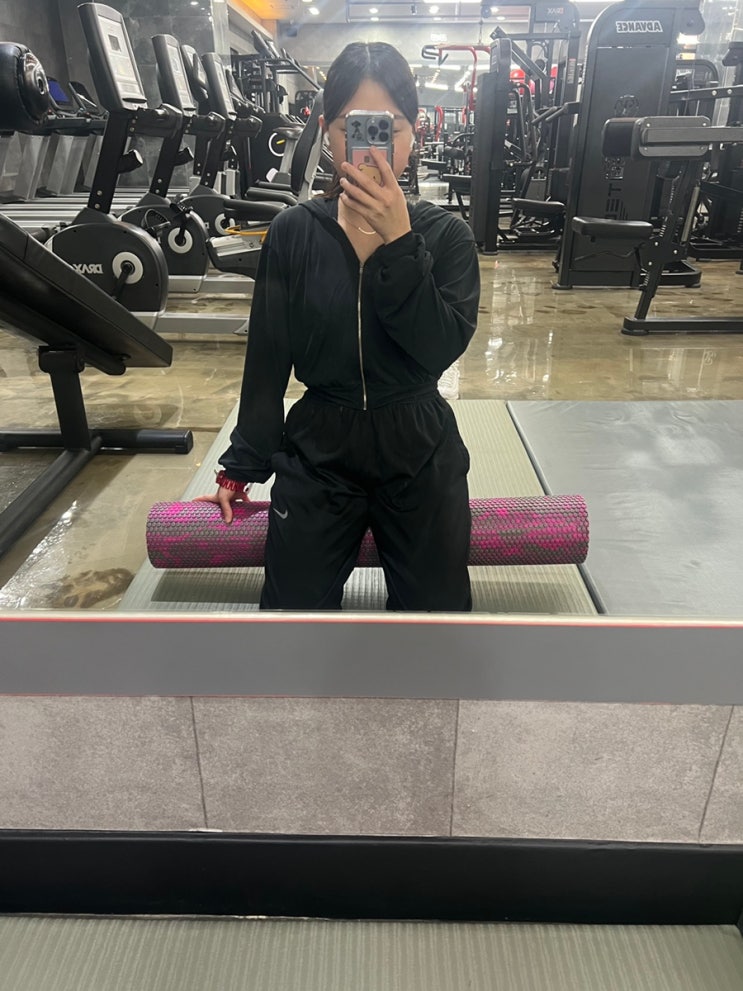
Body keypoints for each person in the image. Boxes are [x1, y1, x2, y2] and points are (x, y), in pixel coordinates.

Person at [197, 42, 481, 611]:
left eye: (389, 128)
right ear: (328, 132)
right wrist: (242, 464)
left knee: (439, 620)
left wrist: (400, 243)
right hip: (320, 448)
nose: (373, 147)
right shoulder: (294, 232)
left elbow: (438, 349)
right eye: (355, 127)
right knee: (291, 615)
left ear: (413, 133)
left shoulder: (447, 236)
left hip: (419, 447)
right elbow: (268, 358)